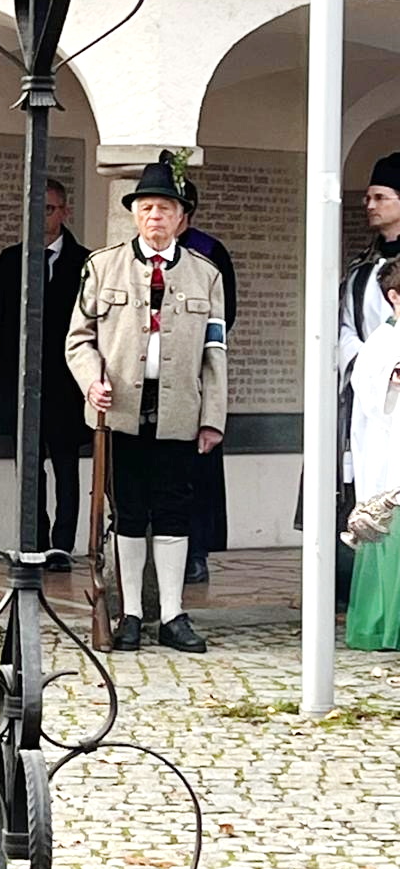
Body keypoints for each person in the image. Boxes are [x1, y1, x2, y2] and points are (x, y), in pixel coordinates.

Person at [66, 151, 227, 654]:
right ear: (135, 215)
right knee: (129, 513)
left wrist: (213, 418)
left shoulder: (206, 274)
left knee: (175, 512)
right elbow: (78, 339)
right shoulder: (102, 266)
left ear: (181, 217)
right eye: (147, 208)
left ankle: (173, 614)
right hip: (119, 413)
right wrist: (92, 382)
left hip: (180, 412)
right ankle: (131, 612)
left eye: (165, 208)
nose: (155, 216)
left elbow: (215, 352)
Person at [0, 179, 89, 569]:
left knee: (66, 467)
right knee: (30, 469)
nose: (40, 217)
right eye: (34, 209)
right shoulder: (11, 259)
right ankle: (35, 541)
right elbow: (1, 318)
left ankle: (62, 547)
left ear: (64, 212)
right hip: (23, 383)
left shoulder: (85, 262)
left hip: (67, 384)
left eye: (47, 209)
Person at [335, 154, 400, 602]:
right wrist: (372, 363)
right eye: (368, 198)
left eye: (380, 197)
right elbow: (343, 327)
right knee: (368, 486)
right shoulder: (362, 269)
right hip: (368, 392)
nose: (370, 205)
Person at [179, 179, 238, 585]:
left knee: (198, 471)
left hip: (194, 371)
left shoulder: (208, 251)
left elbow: (222, 315)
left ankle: (196, 550)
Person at [345, 258, 400, 650]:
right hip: (390, 455)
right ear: (394, 297)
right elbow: (370, 391)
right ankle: (384, 625)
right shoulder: (382, 341)